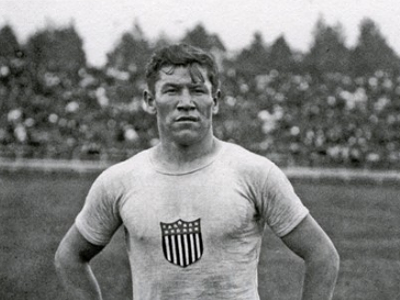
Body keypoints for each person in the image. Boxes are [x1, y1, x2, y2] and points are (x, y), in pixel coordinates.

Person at [55, 43, 339, 300]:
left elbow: (322, 255)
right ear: (150, 100)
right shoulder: (120, 180)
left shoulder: (254, 172)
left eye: (198, 90)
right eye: (172, 90)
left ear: (214, 100)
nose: (186, 102)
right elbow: (69, 256)